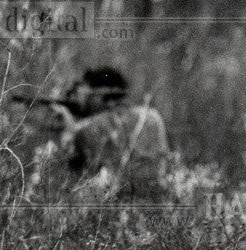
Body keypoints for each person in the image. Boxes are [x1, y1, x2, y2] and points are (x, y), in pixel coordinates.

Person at [22, 67, 170, 202]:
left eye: (82, 94)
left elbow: (72, 164)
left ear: (99, 95)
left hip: (118, 202)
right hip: (157, 198)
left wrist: (69, 128)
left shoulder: (93, 126)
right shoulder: (152, 116)